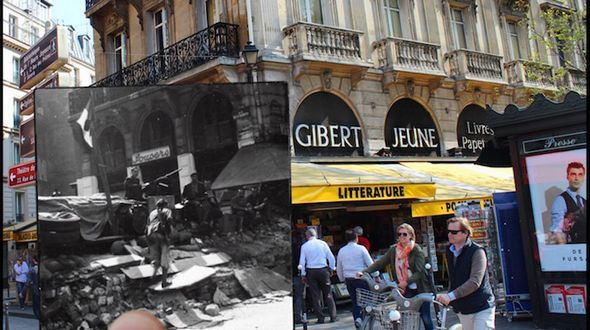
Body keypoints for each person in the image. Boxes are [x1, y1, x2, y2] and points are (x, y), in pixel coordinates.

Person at [358, 223, 433, 330]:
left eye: (404, 234)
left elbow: (420, 272)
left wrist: (406, 281)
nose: (401, 237)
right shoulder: (394, 250)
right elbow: (380, 263)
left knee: (425, 317)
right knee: (406, 319)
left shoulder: (416, 250)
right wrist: (364, 272)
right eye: (399, 234)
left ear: (411, 235)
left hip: (421, 289)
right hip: (404, 290)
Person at [436, 217, 495, 330]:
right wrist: (448, 297)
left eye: (454, 232)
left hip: (482, 306)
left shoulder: (477, 251)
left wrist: (450, 296)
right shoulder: (450, 250)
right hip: (463, 308)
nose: (450, 235)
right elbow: (454, 278)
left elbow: (474, 282)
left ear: (465, 233)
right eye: (448, 231)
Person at [337, 229, 377, 328]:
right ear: (357, 238)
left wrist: (342, 279)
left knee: (355, 301)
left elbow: (339, 267)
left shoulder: (341, 251)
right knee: (367, 300)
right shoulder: (361, 248)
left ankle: (358, 319)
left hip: (349, 279)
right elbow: (370, 263)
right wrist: (376, 275)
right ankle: (367, 321)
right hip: (362, 278)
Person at [298, 227, 337, 324]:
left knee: (315, 296)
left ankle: (320, 318)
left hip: (311, 271)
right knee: (328, 294)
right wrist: (331, 268)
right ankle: (333, 316)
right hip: (323, 270)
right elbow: (331, 257)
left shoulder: (304, 246)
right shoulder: (323, 244)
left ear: (307, 236)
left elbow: (302, 262)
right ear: (315, 235)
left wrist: (303, 275)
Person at [550, 161, 586, 244]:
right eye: (573, 174)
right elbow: (556, 230)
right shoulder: (561, 200)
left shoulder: (584, 201)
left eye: (580, 174)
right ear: (568, 176)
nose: (577, 178)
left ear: (583, 177)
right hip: (572, 249)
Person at [147, 199, 173, 288]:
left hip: (150, 236)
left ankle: (152, 279)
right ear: (165, 205)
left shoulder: (152, 213)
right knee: (164, 259)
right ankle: (164, 282)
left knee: (156, 259)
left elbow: (148, 224)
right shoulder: (167, 211)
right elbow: (169, 220)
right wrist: (168, 235)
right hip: (161, 235)